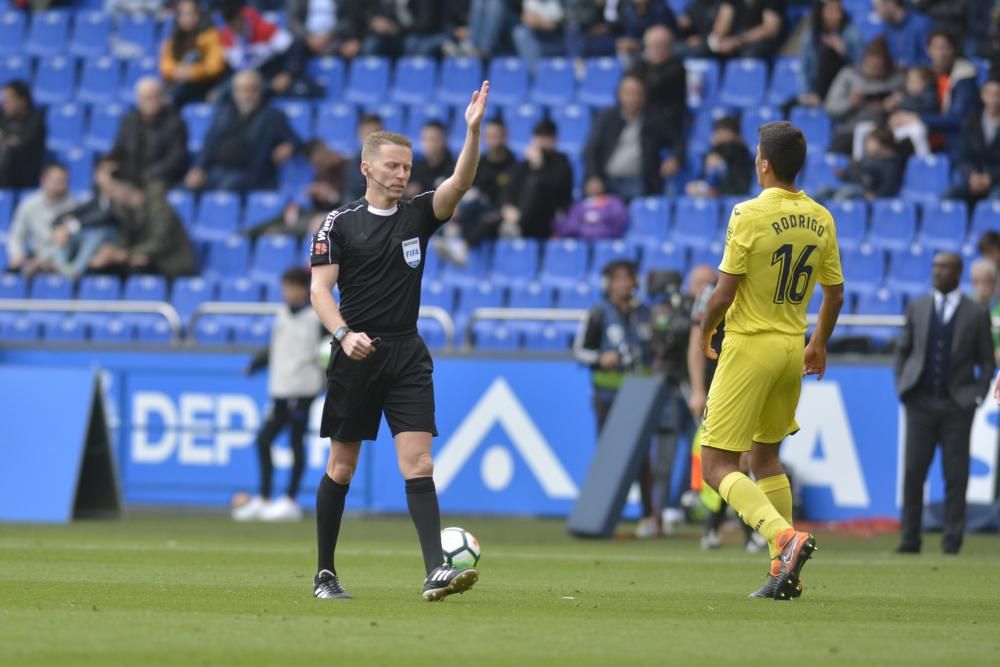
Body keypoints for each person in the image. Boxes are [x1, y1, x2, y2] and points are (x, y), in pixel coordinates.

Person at [308, 81, 491, 601]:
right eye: (392, 166)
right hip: (355, 355)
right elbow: (320, 290)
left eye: (407, 167)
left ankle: (436, 570)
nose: (402, 175)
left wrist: (471, 132)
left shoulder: (418, 215)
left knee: (420, 463)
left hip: (406, 353)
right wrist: (343, 335)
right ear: (367, 168)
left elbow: (461, 179)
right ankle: (325, 572)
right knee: (342, 467)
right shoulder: (337, 224)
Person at [698, 121, 845, 599]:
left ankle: (782, 537)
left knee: (717, 464)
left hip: (749, 344)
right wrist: (818, 343)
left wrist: (704, 327)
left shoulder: (748, 213)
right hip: (791, 348)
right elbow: (836, 294)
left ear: (763, 162)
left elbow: (724, 291)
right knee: (765, 457)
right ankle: (786, 573)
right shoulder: (821, 216)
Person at [894, 252, 995, 555]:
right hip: (920, 403)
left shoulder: (976, 313)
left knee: (955, 475)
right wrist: (903, 385)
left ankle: (952, 541)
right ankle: (910, 539)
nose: (937, 272)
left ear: (958, 272)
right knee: (913, 473)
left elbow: (987, 362)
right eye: (935, 267)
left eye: (944, 268)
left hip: (956, 407)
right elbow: (903, 350)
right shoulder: (918, 307)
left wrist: (975, 394)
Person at [573, 260, 657, 537]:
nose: (623, 283)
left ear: (635, 282)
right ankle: (604, 517)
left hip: (639, 395)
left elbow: (656, 348)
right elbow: (580, 352)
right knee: (609, 457)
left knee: (643, 457)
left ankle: (649, 517)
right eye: (617, 278)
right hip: (607, 394)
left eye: (628, 278)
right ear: (608, 283)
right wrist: (601, 358)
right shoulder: (597, 313)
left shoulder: (645, 313)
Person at [686, 264, 767, 552]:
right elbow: (695, 343)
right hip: (719, 385)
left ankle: (721, 529)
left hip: (746, 379)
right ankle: (739, 531)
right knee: (724, 459)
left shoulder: (760, 283)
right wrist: (698, 390)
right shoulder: (710, 293)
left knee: (739, 460)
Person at [236, 267, 325, 522]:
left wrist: (327, 380)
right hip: (281, 389)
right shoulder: (282, 315)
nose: (285, 293)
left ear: (302, 289)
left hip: (303, 389)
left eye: (289, 288)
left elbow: (331, 351)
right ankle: (264, 499)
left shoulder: (316, 317)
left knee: (296, 442)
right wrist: (255, 364)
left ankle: (290, 500)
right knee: (264, 441)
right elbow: (276, 347)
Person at [184, 70, 299, 193]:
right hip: (216, 171)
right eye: (242, 90)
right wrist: (198, 168)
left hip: (249, 174)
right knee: (183, 190)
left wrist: (289, 146)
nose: (246, 95)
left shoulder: (272, 116)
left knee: (225, 191)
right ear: (234, 93)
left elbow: (296, 141)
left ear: (260, 91)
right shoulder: (224, 114)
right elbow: (209, 143)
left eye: (251, 89)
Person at [883, 28, 980, 158]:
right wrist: (895, 110)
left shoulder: (964, 78)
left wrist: (918, 117)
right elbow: (911, 101)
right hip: (923, 133)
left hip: (950, 140)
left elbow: (959, 119)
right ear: (928, 50)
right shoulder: (924, 75)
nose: (940, 53)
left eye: (945, 48)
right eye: (936, 48)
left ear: (954, 51)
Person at [583, 73, 681, 200]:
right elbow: (590, 150)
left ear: (644, 96)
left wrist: (674, 158)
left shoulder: (655, 120)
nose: (633, 98)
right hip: (607, 180)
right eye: (628, 93)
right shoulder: (606, 118)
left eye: (637, 93)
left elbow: (678, 142)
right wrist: (593, 177)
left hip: (639, 183)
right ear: (619, 95)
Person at [824, 38, 904, 156]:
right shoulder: (848, 75)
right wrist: (850, 102)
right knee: (835, 153)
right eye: (870, 66)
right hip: (850, 130)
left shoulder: (896, 80)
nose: (873, 70)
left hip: (883, 132)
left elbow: (910, 105)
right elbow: (831, 108)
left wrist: (891, 106)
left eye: (878, 67)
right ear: (863, 62)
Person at [110, 78, 189, 191]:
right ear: (138, 100)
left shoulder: (175, 123)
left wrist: (147, 175)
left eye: (155, 97)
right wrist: (107, 164)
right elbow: (118, 149)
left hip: (158, 179)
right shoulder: (129, 120)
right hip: (130, 177)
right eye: (147, 98)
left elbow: (176, 159)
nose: (151, 102)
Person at [500, 119, 574, 240]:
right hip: (519, 214)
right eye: (539, 137)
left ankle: (516, 227)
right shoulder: (523, 165)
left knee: (535, 184)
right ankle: (465, 245)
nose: (542, 142)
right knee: (488, 220)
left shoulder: (562, 163)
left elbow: (556, 190)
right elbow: (510, 189)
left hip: (548, 214)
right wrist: (508, 207)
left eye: (546, 138)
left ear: (554, 140)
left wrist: (539, 167)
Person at [218, 0, 307, 97]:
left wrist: (288, 74)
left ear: (241, 18)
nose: (236, 29)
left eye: (237, 24)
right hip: (243, 81)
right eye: (231, 26)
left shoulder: (264, 29)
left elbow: (294, 47)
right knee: (220, 95)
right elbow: (230, 66)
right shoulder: (226, 37)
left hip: (269, 78)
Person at [6, 164, 76, 277]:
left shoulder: (74, 206)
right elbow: (16, 235)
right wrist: (17, 254)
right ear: (44, 180)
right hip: (36, 255)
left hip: (63, 258)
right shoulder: (29, 204)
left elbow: (74, 240)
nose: (61, 185)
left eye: (64, 181)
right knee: (12, 273)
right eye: (57, 180)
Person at [159, 0, 227, 108]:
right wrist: (176, 71)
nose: (186, 18)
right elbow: (165, 65)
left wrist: (191, 72)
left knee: (177, 94)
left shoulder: (210, 35)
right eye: (182, 14)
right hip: (182, 84)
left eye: (190, 13)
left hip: (206, 85)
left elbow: (215, 66)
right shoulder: (173, 37)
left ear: (198, 15)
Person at [799, 0, 864, 107]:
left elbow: (862, 66)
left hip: (843, 88)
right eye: (832, 11)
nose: (837, 15)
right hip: (815, 88)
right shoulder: (810, 37)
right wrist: (806, 92)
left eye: (838, 10)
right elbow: (804, 67)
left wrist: (844, 51)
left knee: (828, 53)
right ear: (821, 12)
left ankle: (820, 95)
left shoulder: (852, 35)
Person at [947, 78, 1000, 204]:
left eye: (997, 95)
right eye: (989, 94)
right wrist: (972, 176)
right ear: (983, 95)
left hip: (997, 181)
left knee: (992, 205)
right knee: (946, 199)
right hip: (974, 179)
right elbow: (964, 157)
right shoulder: (971, 122)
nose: (993, 99)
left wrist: (990, 178)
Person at [626, 24, 687, 131]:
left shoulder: (676, 68)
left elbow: (654, 87)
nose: (656, 50)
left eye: (661, 45)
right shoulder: (640, 65)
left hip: (665, 121)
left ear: (670, 47)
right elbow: (626, 85)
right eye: (652, 45)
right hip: (641, 117)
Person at [824, 126, 904, 200]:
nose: (867, 145)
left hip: (866, 193)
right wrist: (844, 174)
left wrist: (877, 195)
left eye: (872, 142)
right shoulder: (868, 159)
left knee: (844, 193)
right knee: (825, 190)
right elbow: (858, 175)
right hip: (855, 187)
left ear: (883, 144)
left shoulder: (890, 164)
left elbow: (889, 186)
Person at [684, 116, 754, 199]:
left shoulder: (741, 153)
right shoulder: (712, 152)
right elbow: (704, 176)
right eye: (718, 132)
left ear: (734, 134)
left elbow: (739, 182)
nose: (720, 136)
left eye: (723, 132)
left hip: (736, 194)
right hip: (717, 194)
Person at [0, 81, 45, 189]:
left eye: (8, 100)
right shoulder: (2, 116)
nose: (4, 104)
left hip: (24, 174)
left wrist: (5, 138)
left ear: (22, 101)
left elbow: (21, 144)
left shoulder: (35, 121)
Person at [706, 0, 785, 59]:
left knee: (749, 54)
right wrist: (717, 40)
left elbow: (770, 30)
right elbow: (723, 24)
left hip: (761, 41)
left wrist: (737, 41)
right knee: (705, 51)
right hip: (735, 39)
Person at [872, 0, 931, 67]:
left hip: (920, 73)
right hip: (897, 74)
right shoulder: (887, 27)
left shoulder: (921, 24)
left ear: (891, 3)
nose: (876, 13)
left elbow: (929, 58)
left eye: (877, 7)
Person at [513, 0, 567, 72]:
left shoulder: (558, 2)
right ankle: (536, 75)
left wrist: (540, 22)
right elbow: (526, 19)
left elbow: (561, 25)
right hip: (536, 39)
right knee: (520, 32)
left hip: (556, 40)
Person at [408, 121, 455, 197]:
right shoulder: (415, 167)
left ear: (445, 140)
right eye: (425, 139)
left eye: (434, 139)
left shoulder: (455, 168)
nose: (429, 144)